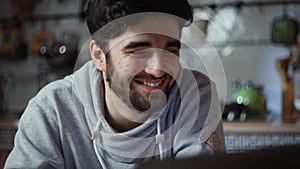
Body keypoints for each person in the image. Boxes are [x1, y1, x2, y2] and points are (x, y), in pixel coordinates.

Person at [5, 0, 226, 168]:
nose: (158, 68)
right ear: (99, 56)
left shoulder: (194, 95)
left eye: (170, 50)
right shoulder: (51, 111)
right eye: (139, 50)